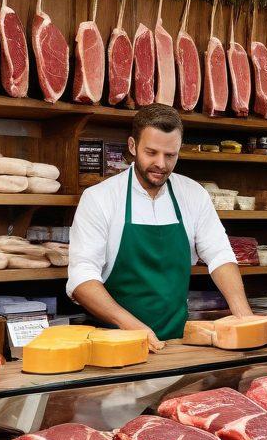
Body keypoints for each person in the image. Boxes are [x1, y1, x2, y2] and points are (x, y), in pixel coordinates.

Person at [67, 105, 252, 351]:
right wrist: (132, 327)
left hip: (177, 344)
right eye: (151, 152)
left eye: (170, 155)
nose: (161, 164)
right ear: (132, 146)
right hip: (115, 344)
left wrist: (244, 317)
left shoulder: (193, 194)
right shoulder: (100, 198)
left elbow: (219, 255)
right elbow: (82, 278)